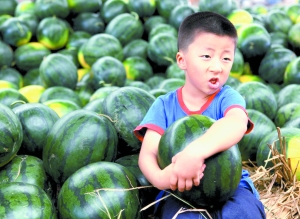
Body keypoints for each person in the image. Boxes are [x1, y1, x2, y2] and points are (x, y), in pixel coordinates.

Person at [134, 11, 266, 219]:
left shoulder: (228, 98)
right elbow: (148, 154)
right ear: (182, 60)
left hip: (233, 188)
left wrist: (194, 152)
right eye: (206, 56)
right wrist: (161, 178)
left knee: (241, 213)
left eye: (226, 58)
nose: (217, 67)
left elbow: (236, 123)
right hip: (179, 192)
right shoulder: (163, 105)